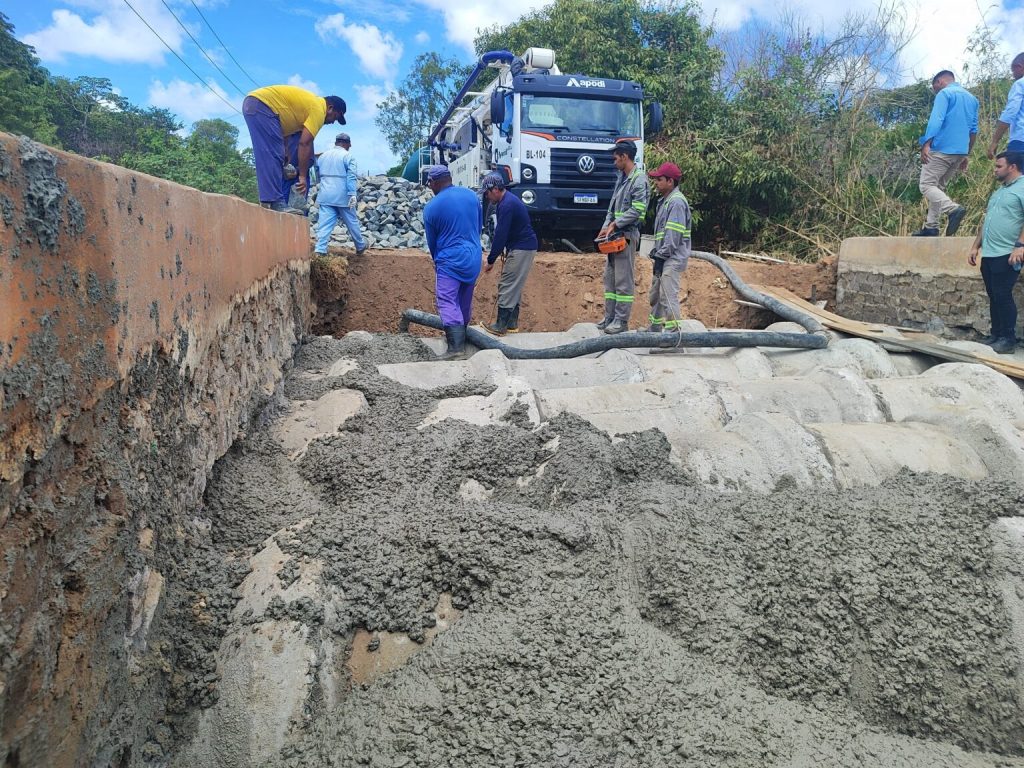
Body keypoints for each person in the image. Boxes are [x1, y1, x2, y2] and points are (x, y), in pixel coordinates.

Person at [243, 84, 346, 211]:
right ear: (330, 108)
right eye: (335, 117)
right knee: (271, 154)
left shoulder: (309, 107)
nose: (332, 122)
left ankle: (270, 200)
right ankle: (275, 201)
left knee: (276, 154)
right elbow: (305, 143)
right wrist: (302, 176)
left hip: (259, 105)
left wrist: (285, 151)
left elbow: (285, 127)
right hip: (262, 105)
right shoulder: (319, 110)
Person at [422, 166, 483, 358]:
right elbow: (479, 225)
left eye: (430, 182)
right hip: (473, 256)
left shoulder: (432, 207)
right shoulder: (471, 196)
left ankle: (456, 349)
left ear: (435, 182)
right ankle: (462, 341)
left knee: (447, 300)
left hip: (450, 259)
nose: (429, 186)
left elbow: (432, 242)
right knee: (464, 298)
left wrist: (437, 261)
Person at [968, 151, 1024, 354]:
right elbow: (987, 221)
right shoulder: (999, 192)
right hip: (990, 253)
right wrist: (976, 246)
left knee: (1002, 294)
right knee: (993, 295)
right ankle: (996, 334)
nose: (995, 170)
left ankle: (1008, 339)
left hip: (1008, 252)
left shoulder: (1022, 188)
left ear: (1012, 167)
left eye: (999, 166)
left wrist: (1020, 245)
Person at [913, 70, 978, 237]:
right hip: (959, 152)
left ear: (940, 81)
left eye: (935, 87)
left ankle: (953, 209)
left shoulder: (945, 94)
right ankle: (931, 227)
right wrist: (966, 154)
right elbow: (973, 130)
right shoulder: (972, 99)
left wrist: (926, 143)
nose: (935, 91)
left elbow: (936, 119)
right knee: (938, 187)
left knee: (926, 185)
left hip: (942, 148)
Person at [596, 141, 648, 334]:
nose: (614, 159)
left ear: (625, 156)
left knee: (623, 280)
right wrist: (605, 227)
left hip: (626, 235)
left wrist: (616, 224)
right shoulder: (622, 178)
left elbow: (638, 209)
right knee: (610, 279)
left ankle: (621, 320)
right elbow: (612, 207)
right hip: (614, 236)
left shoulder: (639, 179)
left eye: (616, 156)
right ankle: (610, 317)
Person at [481, 174, 538, 335]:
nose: (486, 196)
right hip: (521, 246)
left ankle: (501, 325)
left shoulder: (507, 205)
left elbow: (501, 234)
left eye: (487, 192)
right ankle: (512, 324)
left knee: (507, 283)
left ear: (495, 189)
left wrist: (491, 259)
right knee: (514, 285)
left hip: (522, 247)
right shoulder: (506, 202)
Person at [645, 162, 692, 332]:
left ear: (670, 182)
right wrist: (656, 252)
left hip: (671, 257)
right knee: (656, 294)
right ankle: (654, 328)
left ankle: (673, 336)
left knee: (667, 295)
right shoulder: (666, 202)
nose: (656, 183)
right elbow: (665, 235)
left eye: (659, 179)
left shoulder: (676, 203)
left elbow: (673, 237)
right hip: (665, 256)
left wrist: (661, 255)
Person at [314, 133, 366, 256]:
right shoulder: (348, 156)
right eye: (349, 144)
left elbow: (317, 175)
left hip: (325, 195)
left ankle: (320, 250)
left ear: (336, 142)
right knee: (352, 222)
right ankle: (360, 246)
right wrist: (352, 193)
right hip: (343, 197)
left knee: (324, 225)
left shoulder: (322, 156)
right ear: (346, 143)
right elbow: (351, 176)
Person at [988, 53, 1024, 159]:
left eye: (1013, 71)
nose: (1013, 75)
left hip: (1021, 140)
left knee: (1016, 174)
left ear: (1020, 67)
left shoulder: (1020, 84)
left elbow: (1010, 113)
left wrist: (994, 141)